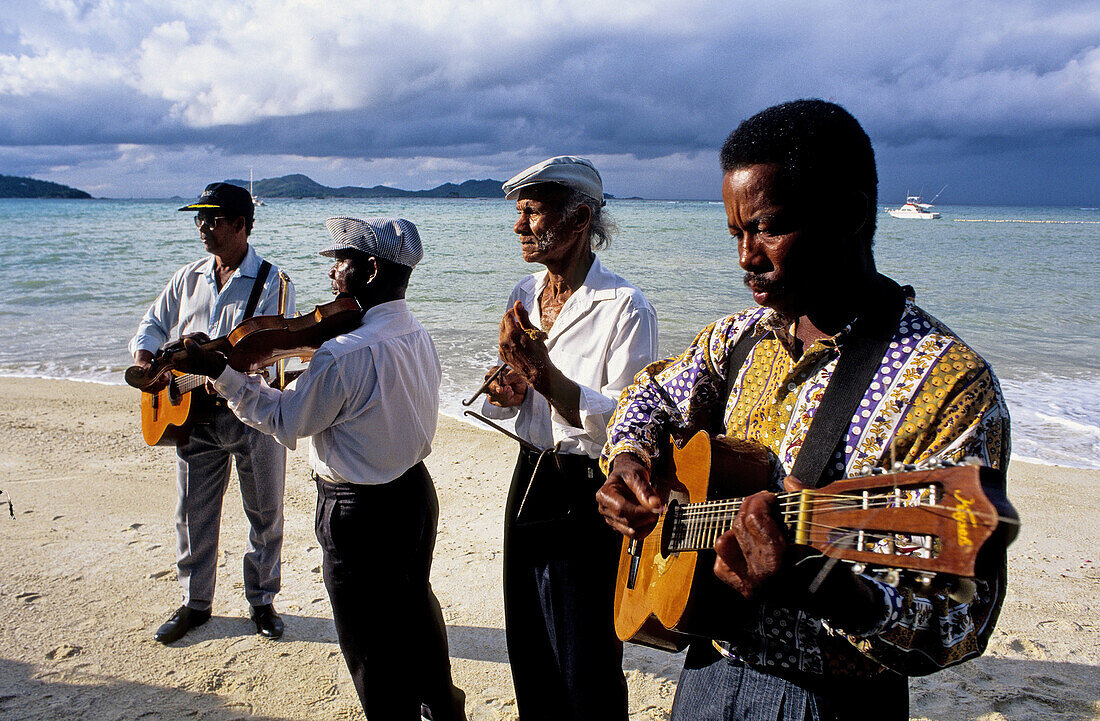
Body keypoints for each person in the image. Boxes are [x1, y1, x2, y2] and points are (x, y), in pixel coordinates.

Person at [596, 100, 1013, 721]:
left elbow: (959, 616)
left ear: (849, 213)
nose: (745, 257)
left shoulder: (949, 383)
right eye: (736, 233)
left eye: (767, 228)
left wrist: (814, 579)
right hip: (707, 672)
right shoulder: (735, 339)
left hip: (834, 699)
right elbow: (649, 394)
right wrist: (628, 458)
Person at [176, 216, 465, 721]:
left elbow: (285, 420)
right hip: (415, 493)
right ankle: (443, 707)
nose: (332, 273)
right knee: (415, 608)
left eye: (339, 261)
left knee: (368, 642)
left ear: (369, 270)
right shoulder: (417, 333)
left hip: (358, 511)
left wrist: (222, 372)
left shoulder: (343, 353)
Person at [480, 156, 658, 720]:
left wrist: (549, 379)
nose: (519, 226)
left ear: (580, 219)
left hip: (589, 493)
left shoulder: (626, 307)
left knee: (586, 655)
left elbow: (635, 422)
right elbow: (515, 390)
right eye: (519, 213)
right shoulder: (525, 292)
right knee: (527, 640)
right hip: (528, 475)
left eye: (532, 211)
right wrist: (506, 388)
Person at [130, 182, 295, 644]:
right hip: (188, 415)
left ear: (242, 225)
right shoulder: (187, 277)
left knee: (264, 511)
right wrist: (147, 362)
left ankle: (262, 601)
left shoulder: (273, 283)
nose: (203, 227)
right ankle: (195, 603)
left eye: (213, 219)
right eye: (199, 218)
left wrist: (218, 367)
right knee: (192, 511)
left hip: (250, 411)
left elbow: (271, 355)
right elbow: (152, 323)